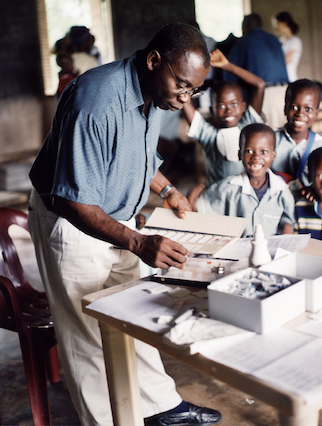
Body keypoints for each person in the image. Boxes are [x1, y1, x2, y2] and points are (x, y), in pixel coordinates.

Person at [28, 23, 222, 426]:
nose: (185, 98)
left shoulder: (155, 94)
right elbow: (73, 199)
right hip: (74, 221)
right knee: (86, 333)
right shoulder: (95, 99)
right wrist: (138, 243)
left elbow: (133, 154)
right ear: (154, 61)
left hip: (117, 219)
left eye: (194, 91)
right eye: (183, 86)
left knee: (134, 315)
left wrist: (167, 189)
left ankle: (158, 407)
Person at [183, 48, 265, 187]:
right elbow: (184, 100)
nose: (228, 110)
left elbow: (259, 85)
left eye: (234, 104)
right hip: (218, 201)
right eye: (221, 106)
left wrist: (227, 66)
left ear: (243, 107)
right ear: (212, 110)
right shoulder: (208, 135)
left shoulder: (249, 125)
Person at [196, 123, 295, 237]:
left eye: (263, 152)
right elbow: (206, 211)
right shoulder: (227, 188)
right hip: (235, 250)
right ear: (240, 154)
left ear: (273, 155)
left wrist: (286, 233)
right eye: (249, 151)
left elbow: (287, 219)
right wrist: (195, 204)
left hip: (269, 251)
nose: (256, 157)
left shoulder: (281, 189)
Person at [225, 13, 289, 130]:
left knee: (268, 139)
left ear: (246, 26)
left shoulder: (244, 41)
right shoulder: (274, 39)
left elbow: (229, 74)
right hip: (285, 93)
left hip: (265, 96)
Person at [272, 79, 322, 192]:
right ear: (285, 109)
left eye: (308, 109)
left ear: (316, 114)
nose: (300, 114)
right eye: (294, 107)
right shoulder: (270, 140)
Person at [273, 11, 302, 83]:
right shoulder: (280, 41)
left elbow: (287, 60)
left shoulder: (295, 40)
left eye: (278, 24)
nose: (276, 27)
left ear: (285, 23)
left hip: (289, 78)